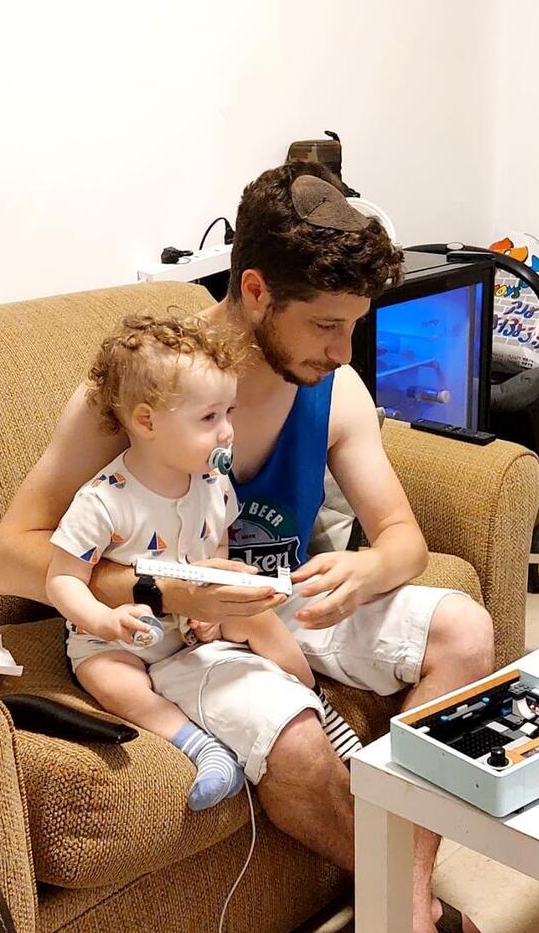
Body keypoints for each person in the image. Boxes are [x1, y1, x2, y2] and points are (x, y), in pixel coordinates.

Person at [0, 163, 508, 933]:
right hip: (178, 628)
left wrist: (371, 569)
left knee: (465, 627)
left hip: (284, 600)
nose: (344, 352)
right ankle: (416, 921)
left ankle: (403, 911)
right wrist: (161, 584)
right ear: (256, 290)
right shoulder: (149, 389)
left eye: (352, 326)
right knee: (295, 739)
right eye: (327, 325)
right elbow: (7, 559)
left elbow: (404, 538)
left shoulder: (333, 389)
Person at [47, 313, 356, 813]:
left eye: (229, 413)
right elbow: (62, 578)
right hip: (120, 637)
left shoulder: (212, 484)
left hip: (193, 625)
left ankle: (320, 706)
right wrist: (103, 620)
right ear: (147, 422)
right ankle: (199, 746)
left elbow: (217, 547)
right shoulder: (103, 501)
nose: (228, 432)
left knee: (262, 616)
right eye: (209, 418)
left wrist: (216, 605)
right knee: (109, 678)